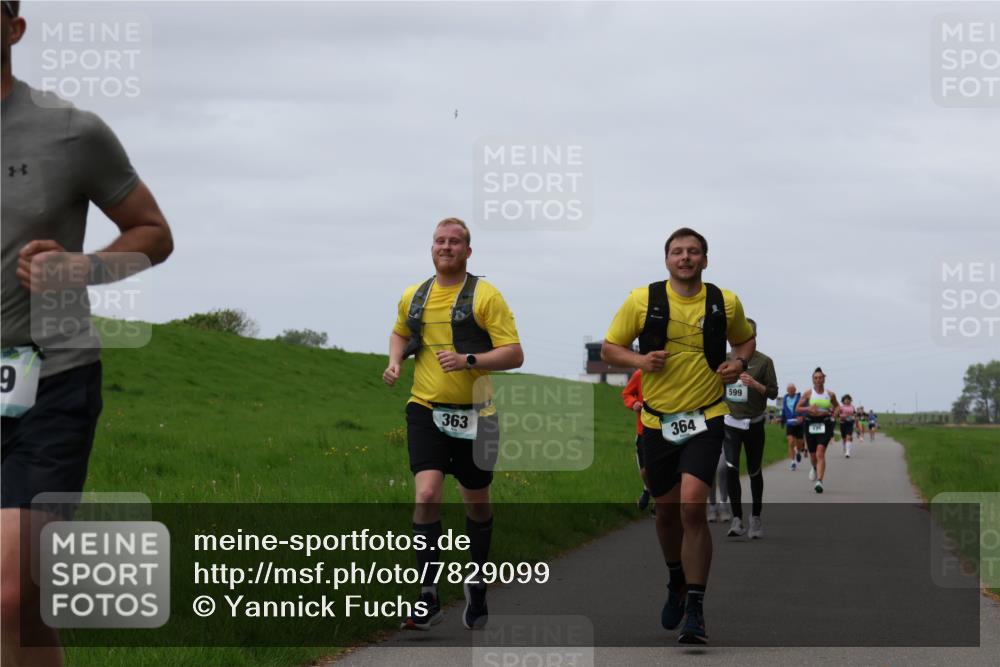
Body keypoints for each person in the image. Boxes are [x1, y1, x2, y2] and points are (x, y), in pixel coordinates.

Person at [2, 3, 174, 664]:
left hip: (51, 379)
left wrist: (84, 267)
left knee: (12, 592)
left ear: (14, 28)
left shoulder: (71, 132)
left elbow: (153, 233)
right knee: (19, 607)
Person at [602, 227, 755, 645]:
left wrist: (739, 363)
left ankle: (696, 610)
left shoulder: (725, 301)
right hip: (658, 423)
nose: (685, 257)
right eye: (677, 252)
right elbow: (610, 348)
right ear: (667, 259)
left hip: (707, 417)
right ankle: (676, 580)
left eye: (693, 252)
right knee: (667, 513)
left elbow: (744, 341)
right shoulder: (642, 300)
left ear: (705, 260)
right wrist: (640, 360)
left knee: (692, 508)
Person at [383, 218, 523, 631]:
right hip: (425, 409)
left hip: (477, 414)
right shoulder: (415, 295)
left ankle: (477, 581)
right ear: (432, 248)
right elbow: (399, 333)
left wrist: (468, 360)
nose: (446, 247)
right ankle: (427, 595)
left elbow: (514, 354)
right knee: (427, 494)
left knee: (476, 503)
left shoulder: (485, 296)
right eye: (439, 241)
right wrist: (395, 361)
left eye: (455, 242)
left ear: (468, 251)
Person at [722, 319, 778, 539]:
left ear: (754, 337)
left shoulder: (764, 362)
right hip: (730, 423)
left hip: (754, 423)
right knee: (731, 468)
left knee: (754, 471)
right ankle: (737, 519)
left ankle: (755, 517)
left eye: (747, 334)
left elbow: (773, 393)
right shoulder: (724, 359)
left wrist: (756, 385)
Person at [796, 368, 840, 493]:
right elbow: (798, 408)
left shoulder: (830, 394)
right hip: (810, 423)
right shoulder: (808, 393)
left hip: (825, 423)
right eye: (815, 378)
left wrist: (834, 413)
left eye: (820, 377)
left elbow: (837, 406)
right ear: (813, 380)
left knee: (820, 452)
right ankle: (814, 467)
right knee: (813, 455)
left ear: (824, 379)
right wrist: (808, 409)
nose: (818, 380)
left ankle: (819, 481)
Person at [622, 369, 652, 511]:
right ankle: (648, 489)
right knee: (644, 471)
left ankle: (659, 501)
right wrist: (633, 403)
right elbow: (626, 394)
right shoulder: (640, 374)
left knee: (663, 470)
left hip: (666, 430)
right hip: (643, 430)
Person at [781, 383, 804, 470]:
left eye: (792, 390)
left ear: (795, 390)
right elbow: (784, 410)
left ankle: (798, 451)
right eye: (789, 390)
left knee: (799, 444)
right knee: (790, 442)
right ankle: (792, 462)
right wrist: (782, 420)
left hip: (799, 424)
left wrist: (802, 417)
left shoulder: (800, 398)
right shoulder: (785, 398)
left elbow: (805, 408)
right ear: (787, 391)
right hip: (790, 423)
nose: (790, 391)